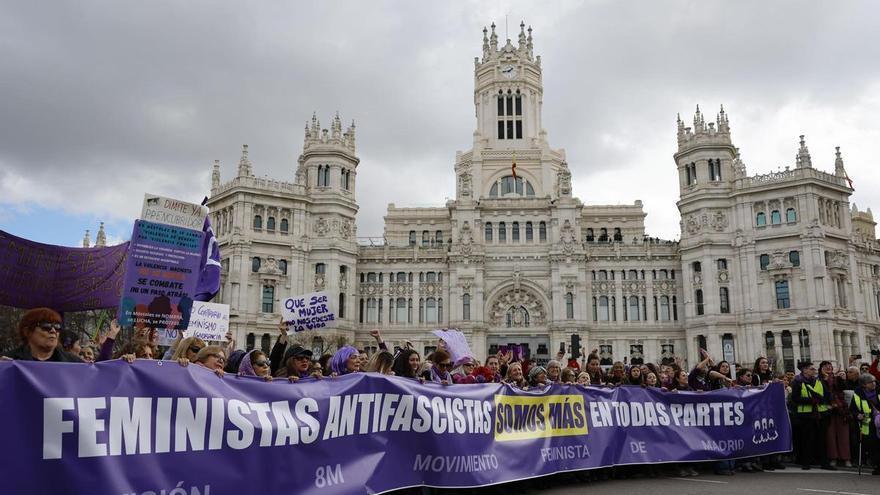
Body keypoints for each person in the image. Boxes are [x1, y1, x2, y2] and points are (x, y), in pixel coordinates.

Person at [791, 361, 835, 470]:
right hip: (806, 415)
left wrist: (825, 401)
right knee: (807, 439)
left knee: (822, 439)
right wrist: (811, 400)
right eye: (811, 369)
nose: (814, 371)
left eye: (814, 369)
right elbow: (795, 398)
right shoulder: (797, 382)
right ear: (804, 370)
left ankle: (824, 462)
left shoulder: (818, 381)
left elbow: (826, 394)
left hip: (820, 414)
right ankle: (806, 462)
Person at [2, 308, 83, 362]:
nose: (53, 331)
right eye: (46, 326)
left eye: (57, 327)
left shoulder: (74, 363)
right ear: (27, 331)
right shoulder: (7, 360)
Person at [850, 373, 879, 475]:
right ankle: (877, 466)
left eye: (874, 381)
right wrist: (857, 415)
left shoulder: (878, 391)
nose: (873, 384)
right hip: (868, 425)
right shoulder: (857, 395)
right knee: (873, 446)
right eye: (870, 382)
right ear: (864, 385)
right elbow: (852, 409)